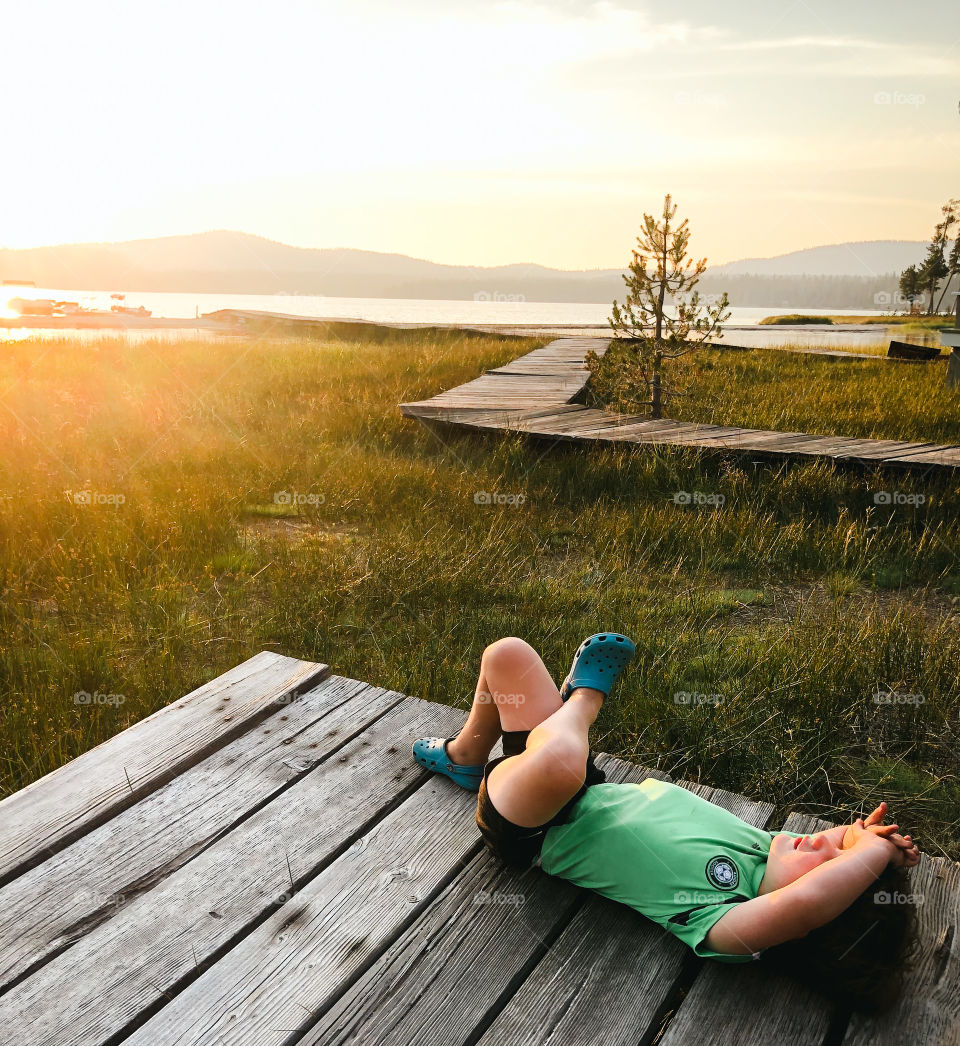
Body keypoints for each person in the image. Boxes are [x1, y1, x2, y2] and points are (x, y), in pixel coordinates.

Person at [413, 634, 920, 1013]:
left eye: (832, 864)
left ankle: (585, 698)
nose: (822, 844)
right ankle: (464, 755)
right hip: (574, 778)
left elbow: (805, 906)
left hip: (533, 821)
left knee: (560, 757)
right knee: (507, 656)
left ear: (805, 924)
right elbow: (820, 876)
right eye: (839, 846)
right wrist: (863, 841)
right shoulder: (769, 848)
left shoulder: (727, 923)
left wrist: (870, 856)